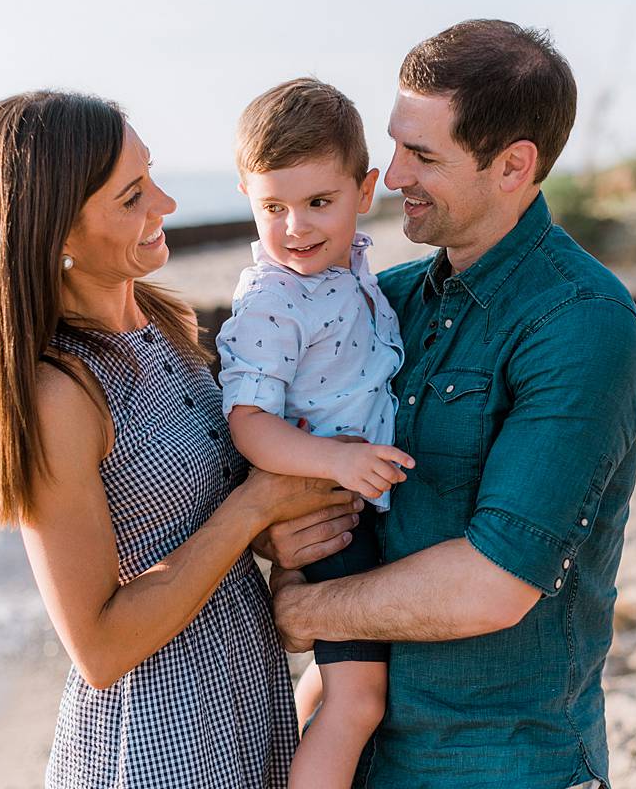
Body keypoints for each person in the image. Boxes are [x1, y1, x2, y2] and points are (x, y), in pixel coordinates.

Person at [260, 21, 636, 789]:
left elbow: (494, 584)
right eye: (396, 142)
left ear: (513, 166)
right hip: (367, 760)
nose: (390, 172)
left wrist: (305, 615)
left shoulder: (584, 326)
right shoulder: (385, 305)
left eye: (424, 155)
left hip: (505, 765)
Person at [0, 90, 362, 789]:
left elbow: (197, 513)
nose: (164, 205)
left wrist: (273, 533)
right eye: (131, 197)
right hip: (160, 743)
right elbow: (97, 649)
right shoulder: (60, 394)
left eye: (151, 175)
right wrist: (253, 512)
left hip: (245, 703)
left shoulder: (165, 325)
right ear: (58, 234)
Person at [217, 78, 414, 789]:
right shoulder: (273, 300)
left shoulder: (348, 269)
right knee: (360, 701)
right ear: (247, 195)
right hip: (327, 507)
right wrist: (336, 461)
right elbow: (249, 424)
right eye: (273, 207)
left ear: (364, 192)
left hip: (353, 497)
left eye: (317, 203)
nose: (295, 227)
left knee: (339, 689)